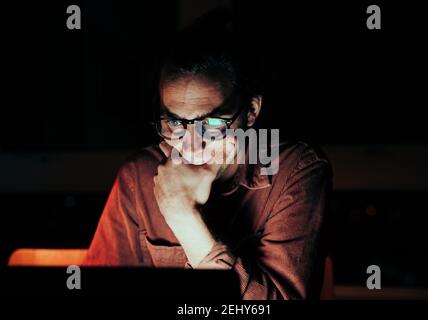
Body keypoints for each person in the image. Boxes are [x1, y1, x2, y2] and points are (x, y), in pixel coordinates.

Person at [83, 10, 333, 300]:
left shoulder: (296, 171)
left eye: (212, 124)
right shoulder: (138, 176)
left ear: (251, 112)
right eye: (176, 122)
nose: (191, 143)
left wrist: (183, 218)